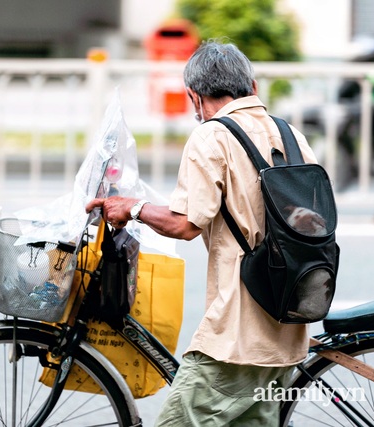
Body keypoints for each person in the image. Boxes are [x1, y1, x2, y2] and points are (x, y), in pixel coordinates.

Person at [85, 40, 319, 426]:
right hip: (288, 324)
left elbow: (185, 223)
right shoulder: (290, 134)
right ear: (253, 87)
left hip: (237, 338)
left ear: (194, 96)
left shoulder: (212, 136)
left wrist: (133, 207)